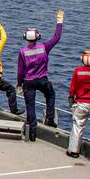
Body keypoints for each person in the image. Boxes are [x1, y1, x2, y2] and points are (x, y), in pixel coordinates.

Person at [16, 9, 64, 141]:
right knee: (50, 94)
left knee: (30, 106)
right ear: (37, 37)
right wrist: (59, 21)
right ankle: (49, 117)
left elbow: (20, 71)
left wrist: (19, 84)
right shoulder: (44, 47)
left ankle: (32, 134)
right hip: (42, 79)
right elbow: (57, 37)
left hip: (28, 81)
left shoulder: (22, 52)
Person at [66, 49, 90, 158]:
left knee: (77, 126)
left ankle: (74, 151)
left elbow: (72, 89)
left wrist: (71, 99)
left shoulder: (77, 71)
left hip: (81, 103)